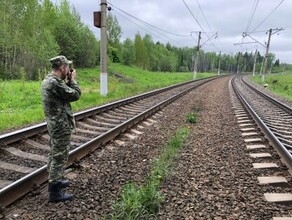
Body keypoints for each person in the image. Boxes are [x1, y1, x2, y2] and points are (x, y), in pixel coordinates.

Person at [41, 55, 81, 202]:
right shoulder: (55, 84)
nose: (68, 70)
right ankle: (55, 192)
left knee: (54, 153)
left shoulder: (49, 80)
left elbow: (65, 94)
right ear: (62, 68)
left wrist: (68, 81)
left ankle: (55, 180)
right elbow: (75, 95)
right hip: (60, 125)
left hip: (55, 124)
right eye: (67, 68)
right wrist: (73, 80)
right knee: (59, 156)